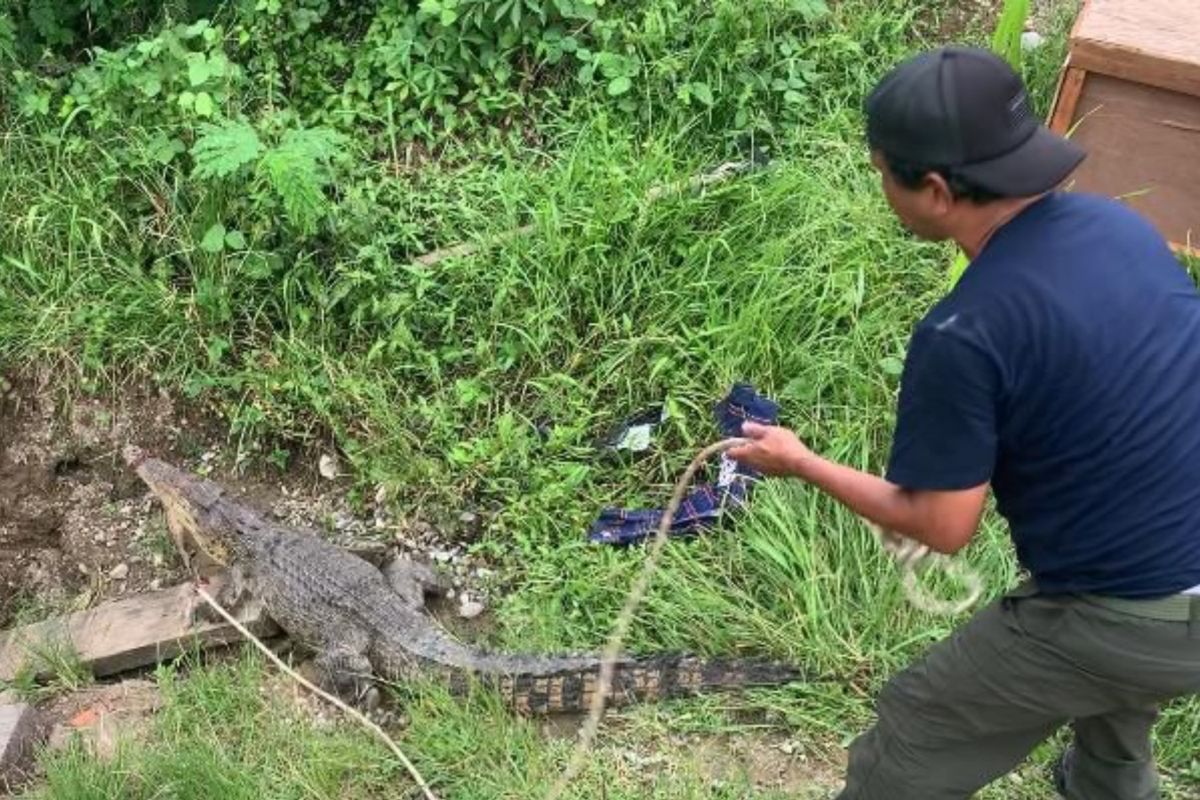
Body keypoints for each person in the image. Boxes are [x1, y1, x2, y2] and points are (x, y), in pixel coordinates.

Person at [728, 46, 1200, 800]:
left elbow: (942, 526)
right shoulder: (1120, 230)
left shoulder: (965, 332)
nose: (880, 184)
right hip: (1172, 576)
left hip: (1134, 608)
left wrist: (801, 462)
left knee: (915, 733)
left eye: (883, 170)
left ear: (938, 190)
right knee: (1112, 707)